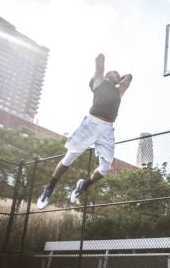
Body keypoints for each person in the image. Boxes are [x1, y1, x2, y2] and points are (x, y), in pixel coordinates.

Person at [37, 53, 133, 210]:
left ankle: (83, 185)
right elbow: (100, 58)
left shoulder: (119, 91)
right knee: (70, 157)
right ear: (106, 74)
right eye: (114, 73)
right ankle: (49, 187)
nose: (117, 75)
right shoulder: (99, 82)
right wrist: (105, 73)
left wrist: (118, 77)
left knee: (106, 168)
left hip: (107, 129)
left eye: (118, 74)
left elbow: (129, 77)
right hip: (91, 123)